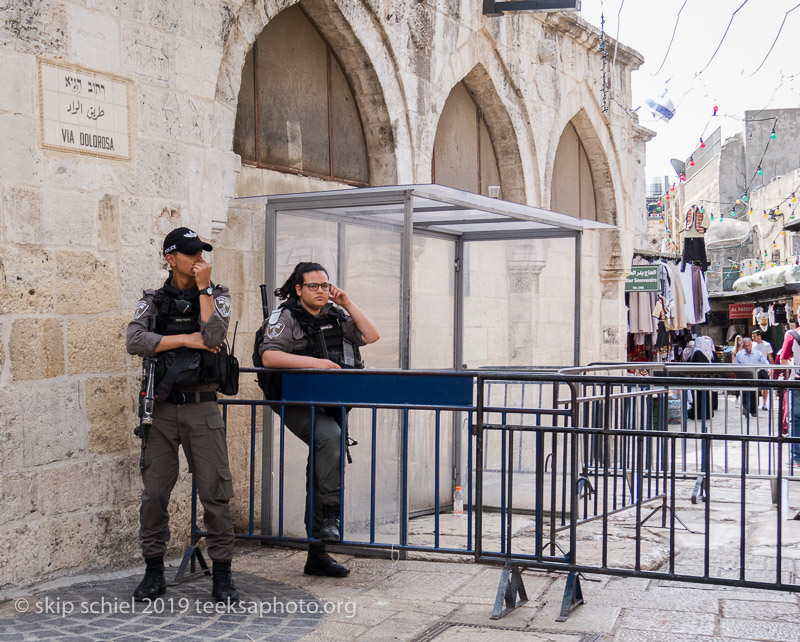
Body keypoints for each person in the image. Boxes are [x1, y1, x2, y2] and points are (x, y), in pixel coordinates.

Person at [126, 227, 238, 602]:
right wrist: (181, 340)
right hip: (160, 410)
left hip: (202, 409)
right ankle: (153, 572)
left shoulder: (217, 295)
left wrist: (204, 291)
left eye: (202, 254)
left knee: (215, 493)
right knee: (154, 493)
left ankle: (222, 574)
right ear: (171, 259)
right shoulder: (153, 300)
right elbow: (134, 340)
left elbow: (213, 336)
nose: (200, 260)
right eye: (191, 255)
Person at [258, 262, 379, 577]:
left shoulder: (336, 315)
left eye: (325, 285)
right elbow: (270, 356)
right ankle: (330, 519)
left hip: (330, 402)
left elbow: (372, 334)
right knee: (329, 440)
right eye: (314, 286)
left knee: (324, 463)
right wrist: (318, 363)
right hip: (294, 399)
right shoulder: (285, 318)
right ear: (298, 289)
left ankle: (317, 553)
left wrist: (347, 302)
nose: (321, 291)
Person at [777, 328, 800, 465]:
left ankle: (797, 457)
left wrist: (796, 366)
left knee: (796, 420)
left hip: (796, 382)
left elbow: (783, 360)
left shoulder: (792, 335)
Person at [734, 337, 769, 418]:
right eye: (745, 346)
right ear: (743, 346)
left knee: (754, 393)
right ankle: (745, 408)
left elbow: (764, 362)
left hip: (755, 376)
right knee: (745, 393)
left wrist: (768, 369)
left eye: (749, 345)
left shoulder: (758, 354)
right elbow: (736, 365)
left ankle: (754, 410)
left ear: (751, 345)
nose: (747, 347)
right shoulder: (739, 355)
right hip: (744, 376)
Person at [751, 329, 775, 410]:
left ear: (759, 336)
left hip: (764, 368)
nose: (753, 338)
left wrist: (772, 369)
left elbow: (770, 357)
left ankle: (764, 403)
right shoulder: (752, 345)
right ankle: (755, 404)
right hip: (755, 369)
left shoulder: (767, 345)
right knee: (755, 387)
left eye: (754, 336)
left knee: (765, 387)